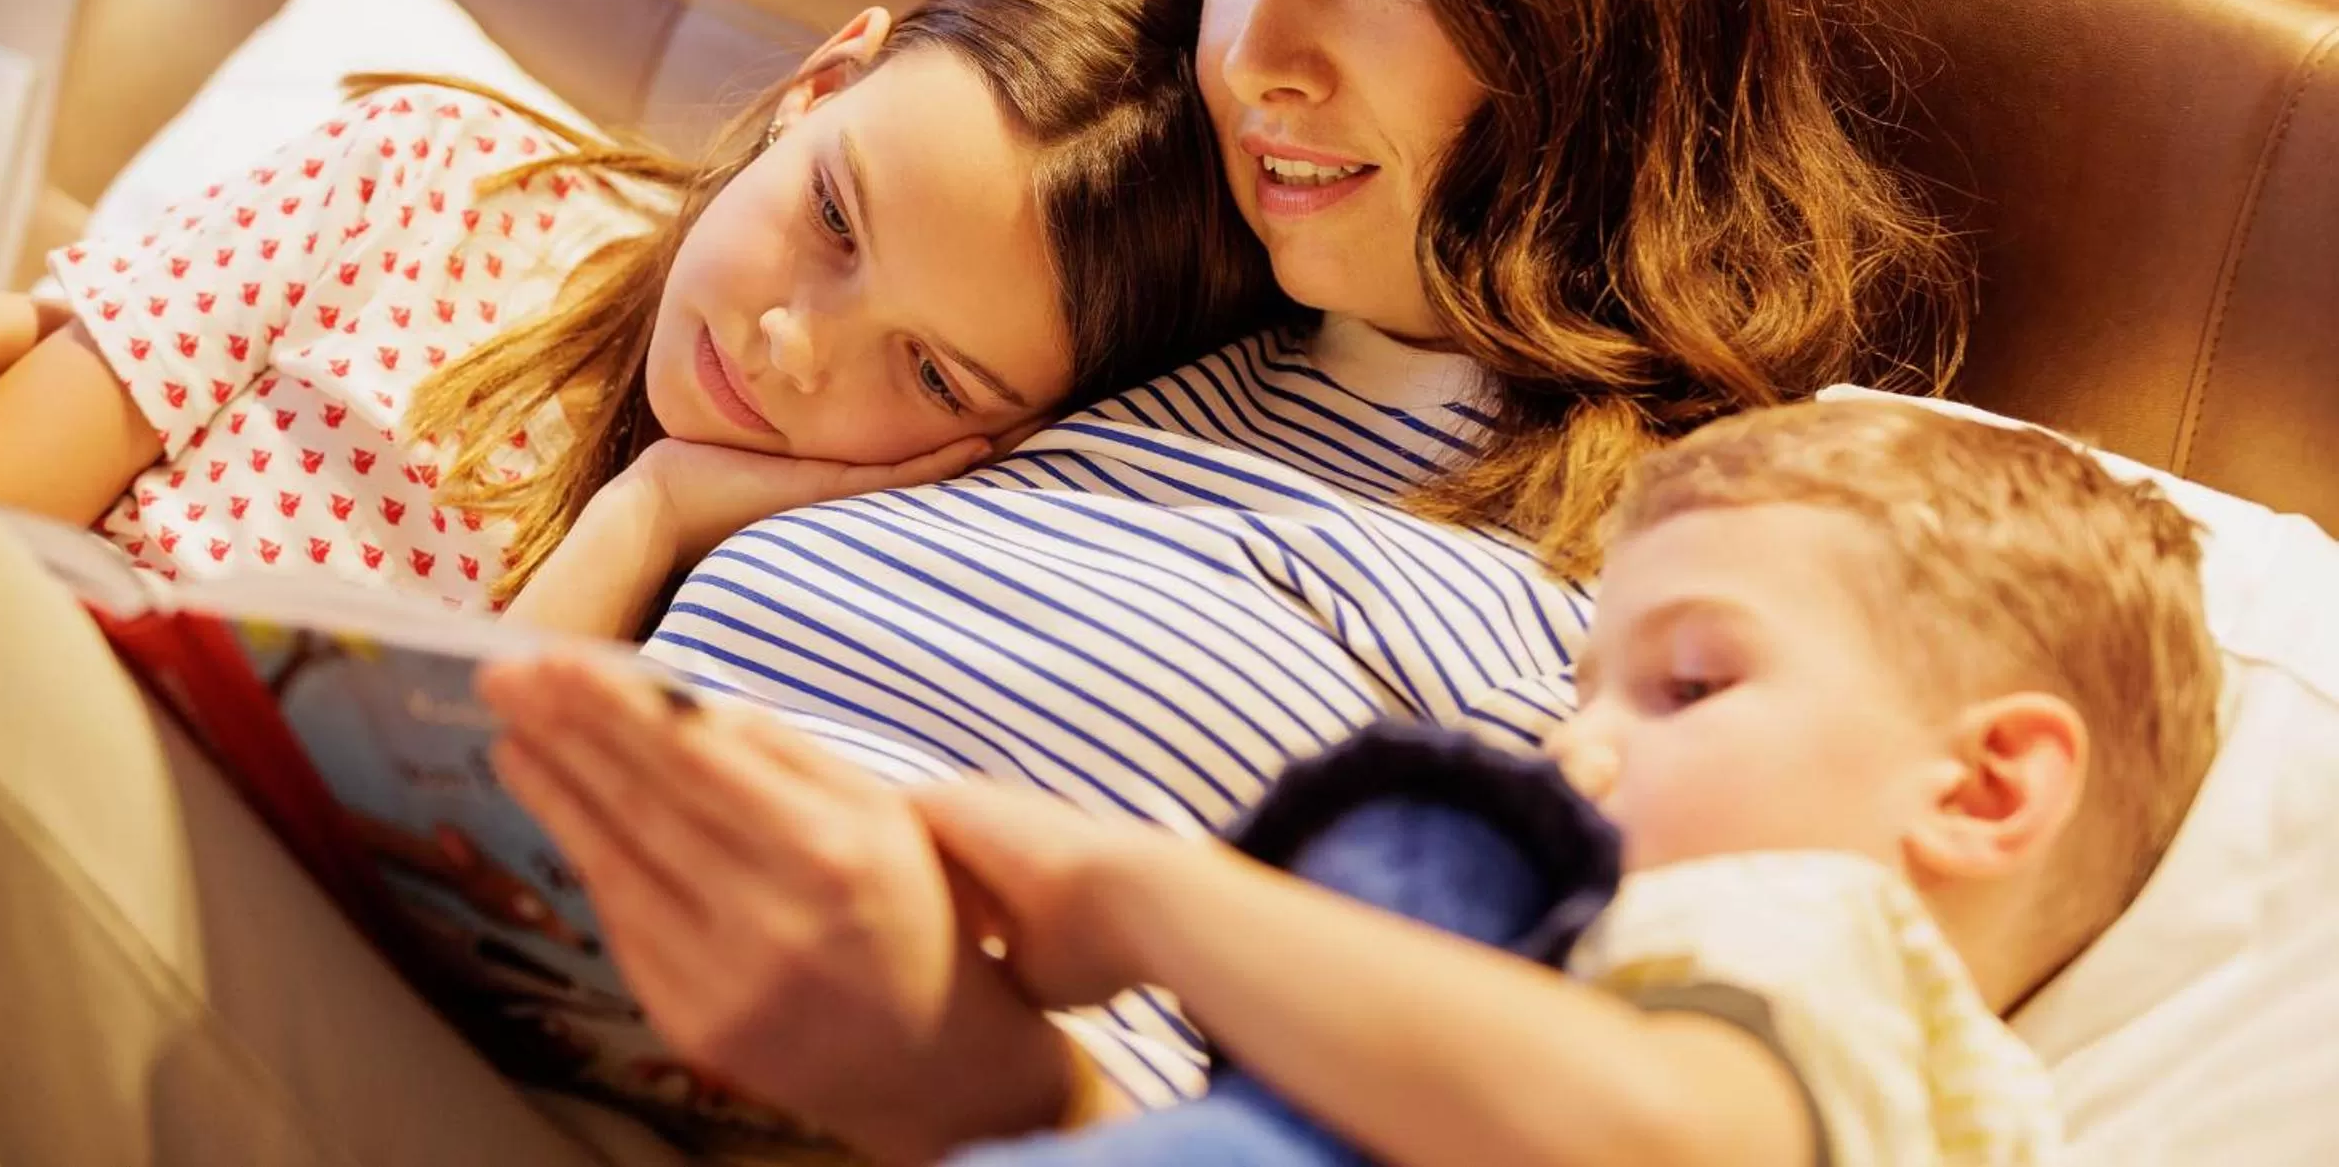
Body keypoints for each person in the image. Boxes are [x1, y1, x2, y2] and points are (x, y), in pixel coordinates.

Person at [0, 0, 1970, 1162]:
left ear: (1594, 1)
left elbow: (1484, 1102)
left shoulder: (1686, 557)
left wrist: (961, 1067)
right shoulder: (1146, 325)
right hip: (471, 960)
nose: (1250, 61)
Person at [889, 399, 2222, 1166]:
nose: (1567, 751)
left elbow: (1648, 1140)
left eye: (1689, 688)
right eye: (1580, 694)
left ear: (1979, 791)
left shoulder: (1826, 941)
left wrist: (1139, 897)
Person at [0, 0, 1275, 638]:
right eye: (828, 216)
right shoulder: (436, 182)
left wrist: (645, 521)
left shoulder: (834, 581)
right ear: (817, 85)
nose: (792, 346)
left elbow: (440, 888)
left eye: (931, 376)